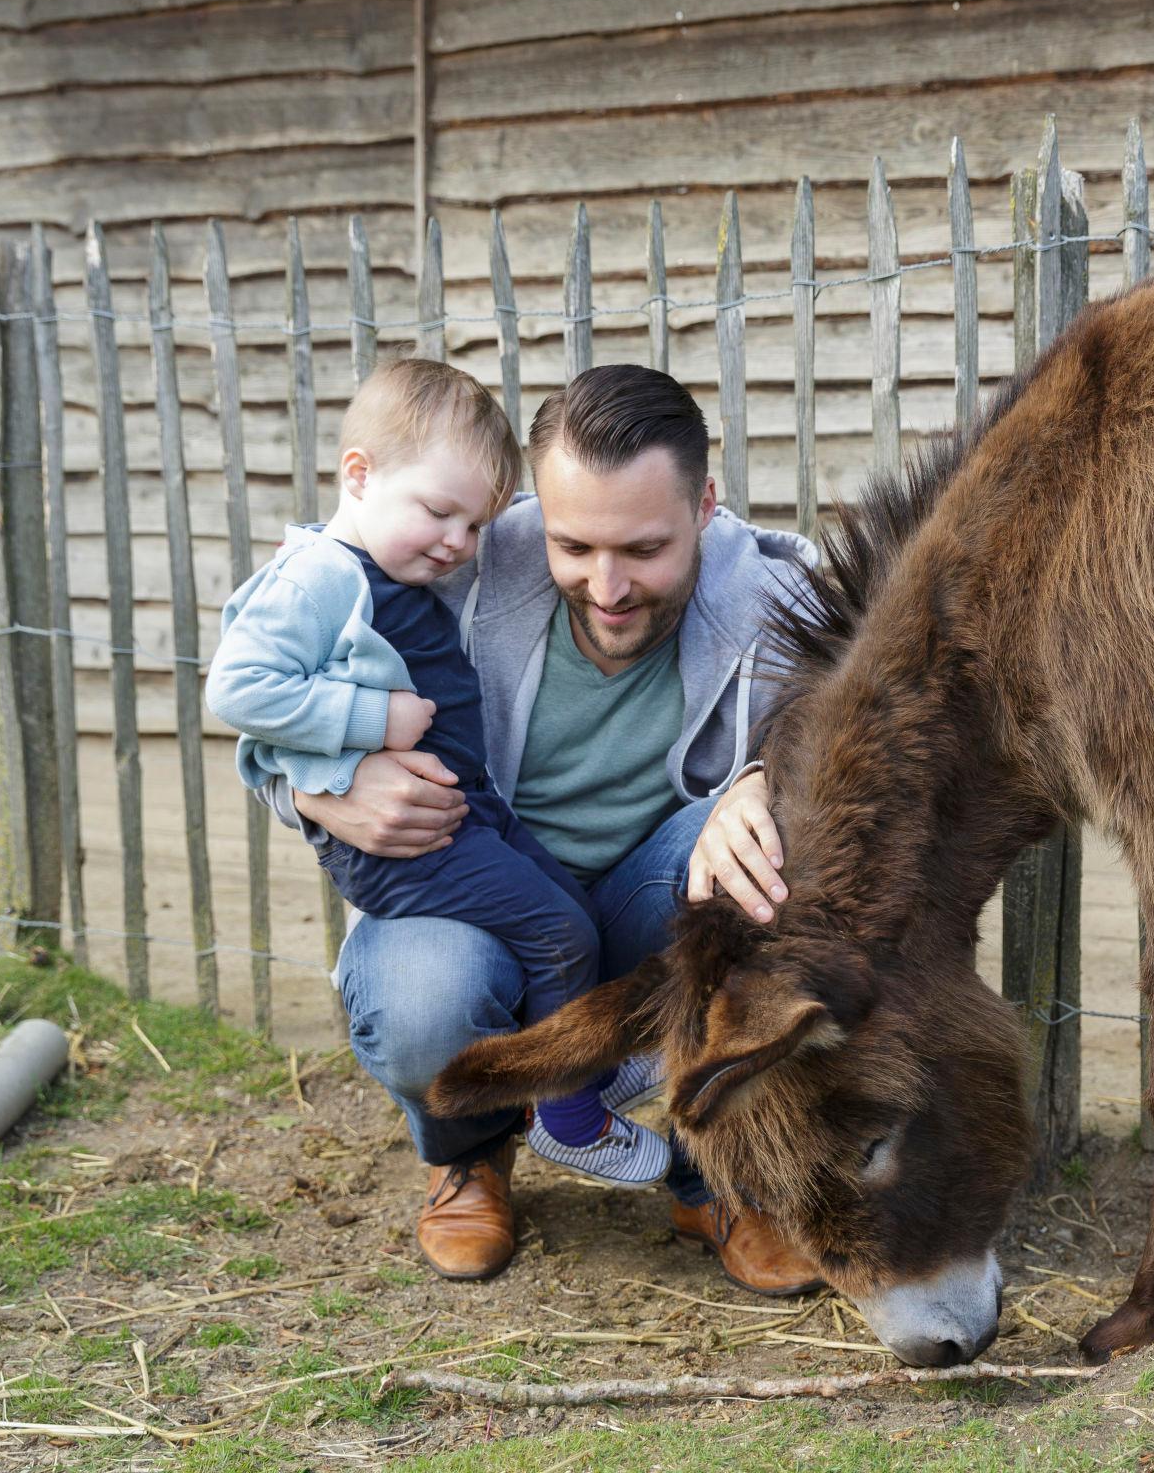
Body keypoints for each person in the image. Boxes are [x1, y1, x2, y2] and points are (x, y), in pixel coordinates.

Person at [258, 361, 821, 1291]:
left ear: (706, 506)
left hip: (650, 901)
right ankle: (473, 1156)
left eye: (643, 549)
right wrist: (317, 794)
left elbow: (863, 719)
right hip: (477, 897)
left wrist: (767, 778)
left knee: (767, 866)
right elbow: (270, 707)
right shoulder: (452, 560)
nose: (606, 586)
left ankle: (717, 1172)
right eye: (575, 545)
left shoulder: (774, 597)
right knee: (423, 1003)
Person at [209, 360, 673, 1190]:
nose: (458, 544)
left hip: (465, 813)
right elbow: (239, 687)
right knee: (559, 933)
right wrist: (368, 726)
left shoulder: (399, 568)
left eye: (472, 525)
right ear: (360, 474)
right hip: (408, 847)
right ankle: (568, 1124)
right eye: (439, 513)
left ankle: (584, 1074)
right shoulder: (319, 576)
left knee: (568, 914)